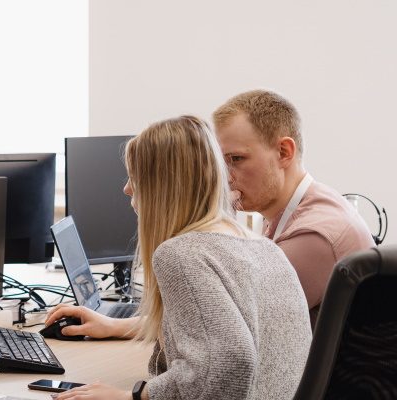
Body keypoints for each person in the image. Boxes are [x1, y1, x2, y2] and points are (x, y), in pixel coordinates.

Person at [50, 116, 311, 400]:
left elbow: (227, 361)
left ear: (161, 185)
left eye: (135, 177)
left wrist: (131, 397)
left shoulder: (182, 255)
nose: (127, 188)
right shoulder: (263, 247)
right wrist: (114, 325)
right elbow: (214, 331)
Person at [212, 89, 375, 322]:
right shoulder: (294, 210)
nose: (226, 177)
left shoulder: (314, 236)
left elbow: (227, 326)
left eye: (236, 159)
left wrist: (211, 218)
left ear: (283, 152)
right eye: (221, 163)